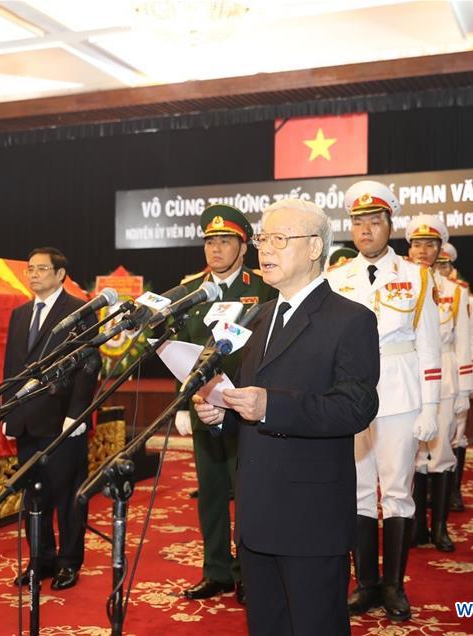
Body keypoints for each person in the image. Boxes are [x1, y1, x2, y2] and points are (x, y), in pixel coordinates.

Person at [194, 198, 380, 635]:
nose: (265, 249)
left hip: (310, 519)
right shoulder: (257, 318)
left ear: (315, 247)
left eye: (279, 239)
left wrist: (271, 406)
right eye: (262, 239)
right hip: (257, 515)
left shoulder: (350, 320)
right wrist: (219, 412)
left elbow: (356, 407)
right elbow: (246, 399)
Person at [325, 181, 441, 622]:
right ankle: (366, 584)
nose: (366, 230)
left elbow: (429, 347)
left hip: (399, 393)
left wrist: (431, 406)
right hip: (350, 397)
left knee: (395, 492)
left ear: (390, 225)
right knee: (355, 493)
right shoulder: (336, 278)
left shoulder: (417, 276)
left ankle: (393, 585)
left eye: (374, 222)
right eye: (358, 223)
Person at [175, 204, 275, 604]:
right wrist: (184, 403)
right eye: (210, 242)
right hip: (203, 407)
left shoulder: (263, 287)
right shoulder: (189, 290)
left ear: (243, 246)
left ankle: (246, 574)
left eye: (225, 242)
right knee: (212, 492)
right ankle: (215, 571)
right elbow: (179, 350)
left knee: (247, 494)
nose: (216, 250)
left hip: (246, 411)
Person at [2, 247, 99, 591]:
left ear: (60, 274)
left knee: (67, 496)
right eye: (30, 269)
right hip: (26, 421)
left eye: (42, 269)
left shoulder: (79, 311)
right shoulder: (19, 314)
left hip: (62, 423)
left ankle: (69, 562)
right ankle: (40, 561)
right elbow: (11, 369)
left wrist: (77, 414)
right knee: (33, 497)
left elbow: (89, 367)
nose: (33, 274)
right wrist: (7, 413)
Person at [406, 217, 472, 552]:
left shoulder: (453, 292)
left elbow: (463, 343)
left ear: (439, 250)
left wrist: (464, 389)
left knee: (442, 454)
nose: (422, 250)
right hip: (408, 376)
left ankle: (441, 527)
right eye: (417, 244)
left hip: (444, 378)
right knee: (413, 456)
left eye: (429, 245)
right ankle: (417, 525)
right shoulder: (400, 283)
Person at [437, 242, 473, 511]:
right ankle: (431, 491)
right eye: (437, 264)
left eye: (444, 264)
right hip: (431, 371)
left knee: (457, 434)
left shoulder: (463, 295)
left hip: (456, 369)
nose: (440, 269)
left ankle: (453, 490)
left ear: (451, 266)